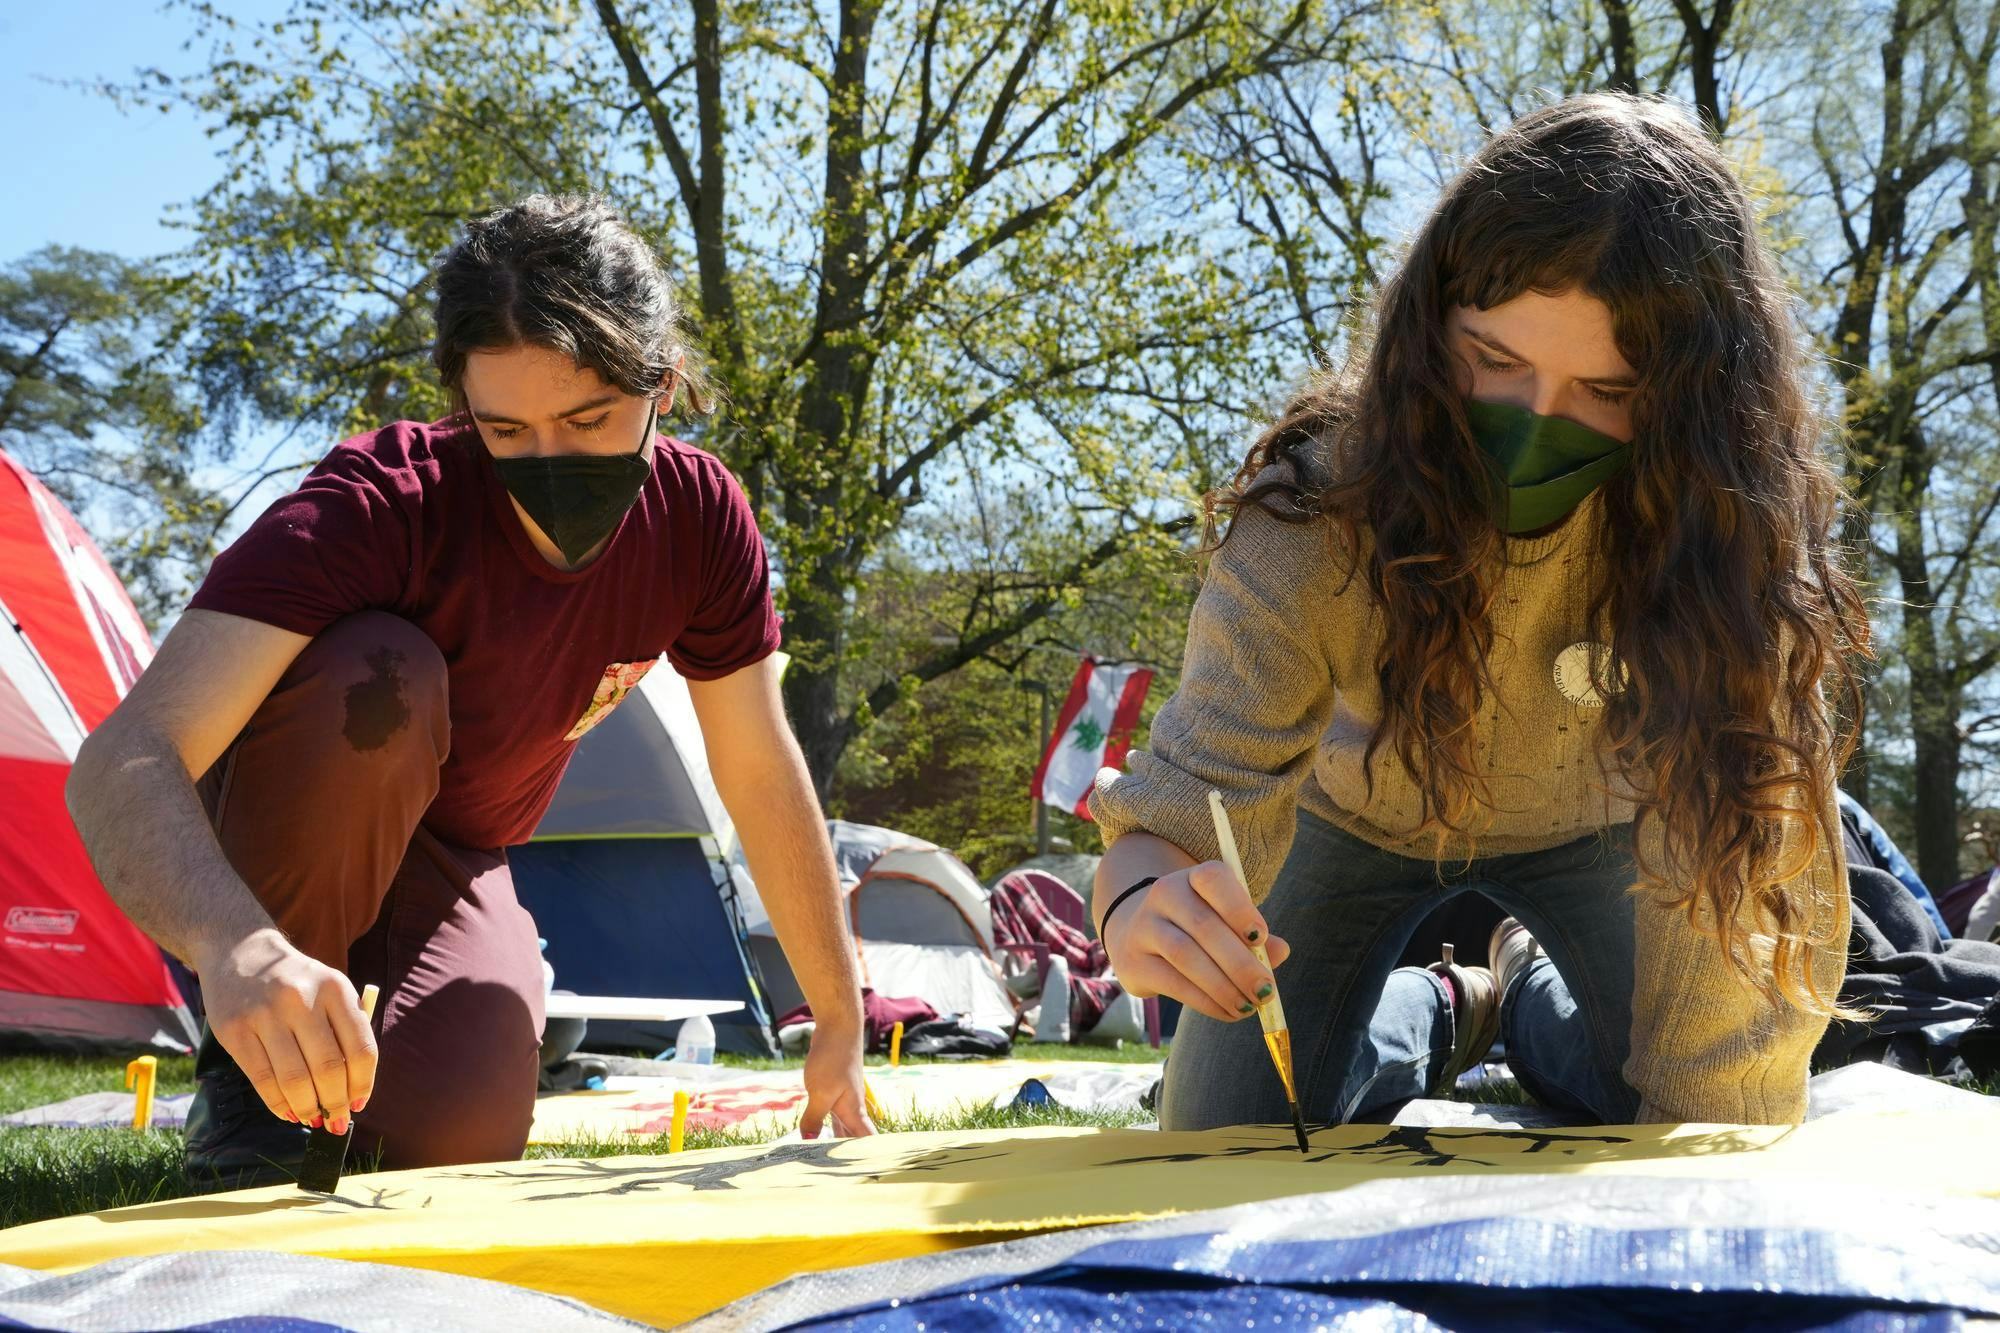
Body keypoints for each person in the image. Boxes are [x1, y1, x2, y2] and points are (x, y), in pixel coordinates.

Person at [1088, 92, 1869, 1129]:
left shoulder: (1731, 542)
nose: (1537, 422)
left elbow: (1753, 856)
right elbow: (1185, 805)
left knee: (1677, 1115)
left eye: (1606, 390)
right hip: (1347, 822)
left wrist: (1703, 1121)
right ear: (1425, 325)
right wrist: (1141, 901)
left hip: (1610, 830)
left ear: (1692, 401)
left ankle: (1528, 992)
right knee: (1227, 1133)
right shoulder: (1314, 512)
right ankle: (1452, 1004)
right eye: (1494, 362)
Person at [67, 195, 873, 1185]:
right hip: (282, 848)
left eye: (587, 419)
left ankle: (340, 1083)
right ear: (461, 410)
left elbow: (757, 767)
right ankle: (248, 1090)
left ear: (660, 383)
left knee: (457, 1142)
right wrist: (238, 950)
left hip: (455, 853)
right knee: (380, 675)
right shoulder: (379, 504)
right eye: (504, 429)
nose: (546, 466)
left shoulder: (698, 519)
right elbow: (125, 756)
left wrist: (836, 1013)